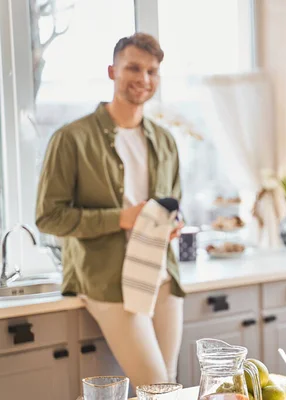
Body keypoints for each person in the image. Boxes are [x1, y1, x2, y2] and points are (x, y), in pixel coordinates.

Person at [36, 33, 185, 387]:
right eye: (133, 68)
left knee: (169, 387)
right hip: (107, 280)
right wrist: (121, 218)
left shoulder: (165, 140)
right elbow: (48, 216)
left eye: (152, 71)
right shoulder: (71, 139)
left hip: (161, 274)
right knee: (156, 386)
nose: (143, 79)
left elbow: (175, 202)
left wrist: (174, 223)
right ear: (112, 71)